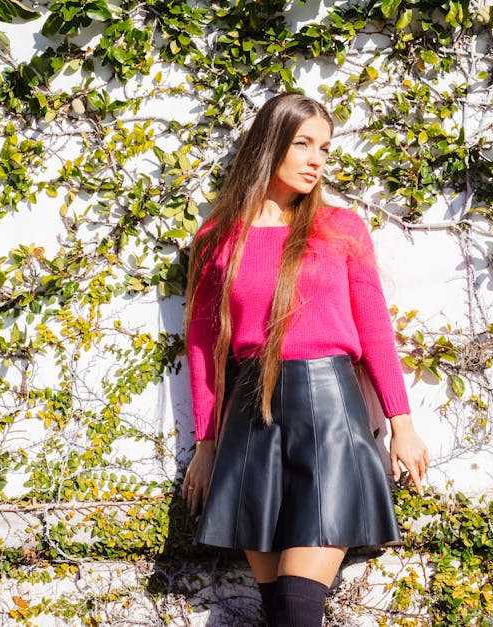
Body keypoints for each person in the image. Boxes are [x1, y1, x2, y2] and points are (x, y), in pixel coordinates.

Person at [180, 92, 429, 627]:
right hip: (251, 419)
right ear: (270, 146)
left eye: (325, 148)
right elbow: (204, 349)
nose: (317, 159)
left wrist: (401, 424)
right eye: (303, 144)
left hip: (330, 414)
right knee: (279, 610)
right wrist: (206, 445)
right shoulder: (217, 238)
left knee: (297, 604)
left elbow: (375, 330)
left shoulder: (341, 228)